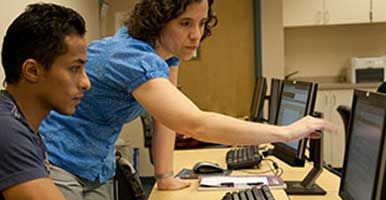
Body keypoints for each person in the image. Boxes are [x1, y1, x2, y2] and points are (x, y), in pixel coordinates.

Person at [39, 0, 335, 199]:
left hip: (95, 164)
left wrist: (164, 175)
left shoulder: (164, 57)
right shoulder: (132, 57)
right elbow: (195, 123)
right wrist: (287, 131)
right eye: (185, 24)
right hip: (58, 160)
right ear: (158, 23)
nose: (197, 35)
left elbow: (165, 118)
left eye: (202, 23)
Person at [0, 3, 90, 200]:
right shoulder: (6, 130)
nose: (86, 83)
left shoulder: (20, 122)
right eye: (75, 68)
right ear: (32, 71)